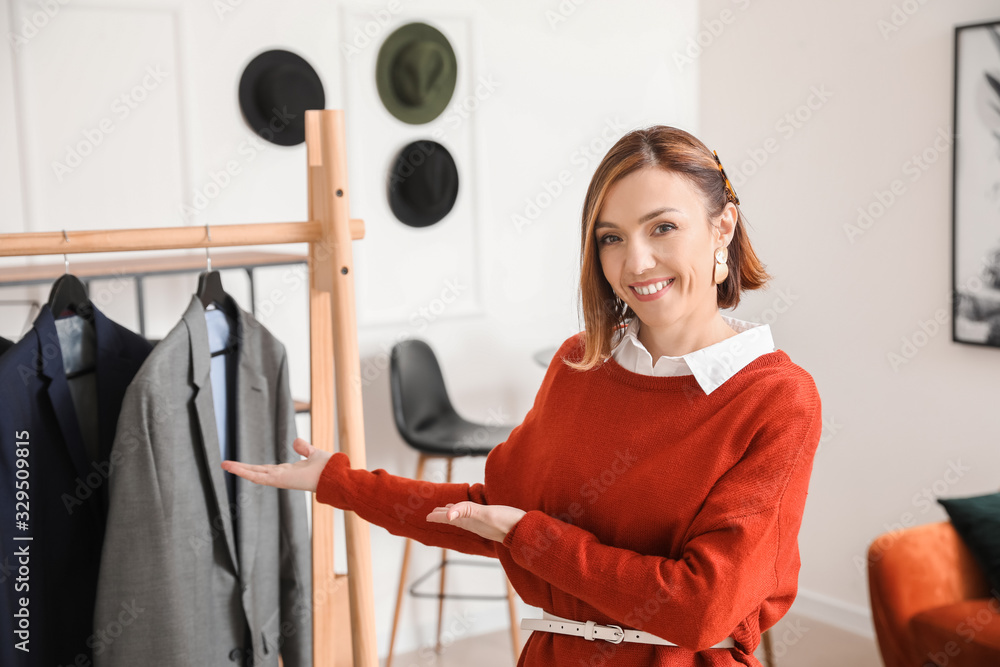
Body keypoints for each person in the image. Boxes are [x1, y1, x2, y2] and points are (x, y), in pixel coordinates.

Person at [222, 125, 823, 667]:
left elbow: (699, 607)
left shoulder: (776, 400)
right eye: (611, 238)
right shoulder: (579, 362)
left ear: (724, 227)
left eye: (663, 227)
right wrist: (340, 482)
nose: (635, 262)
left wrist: (531, 538)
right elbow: (490, 513)